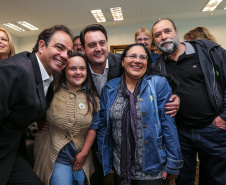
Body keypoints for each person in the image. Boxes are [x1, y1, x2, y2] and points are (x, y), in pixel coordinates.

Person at [80, 23, 181, 185]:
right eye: (132, 56)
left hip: (153, 165)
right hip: (119, 162)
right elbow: (104, 126)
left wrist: (174, 161)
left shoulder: (157, 84)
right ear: (122, 62)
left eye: (142, 57)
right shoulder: (102, 83)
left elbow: (168, 124)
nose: (137, 60)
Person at [151, 18, 226, 185]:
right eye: (158, 35)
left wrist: (224, 116)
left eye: (167, 31)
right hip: (180, 133)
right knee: (183, 179)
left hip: (213, 128)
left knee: (217, 179)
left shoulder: (209, 52)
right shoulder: (157, 68)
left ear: (176, 32)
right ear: (155, 41)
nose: (163, 37)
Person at [0, 25, 73, 185]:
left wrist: (40, 117)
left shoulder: (50, 77)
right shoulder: (16, 70)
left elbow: (36, 99)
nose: (64, 56)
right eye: (59, 47)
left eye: (69, 52)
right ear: (41, 46)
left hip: (11, 152)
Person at [34, 53, 99, 185]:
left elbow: (94, 127)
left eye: (82, 68)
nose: (78, 72)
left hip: (80, 157)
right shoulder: (51, 91)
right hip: (55, 156)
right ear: (65, 70)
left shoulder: (93, 98)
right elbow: (35, 107)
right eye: (72, 68)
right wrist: (39, 120)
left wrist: (83, 154)